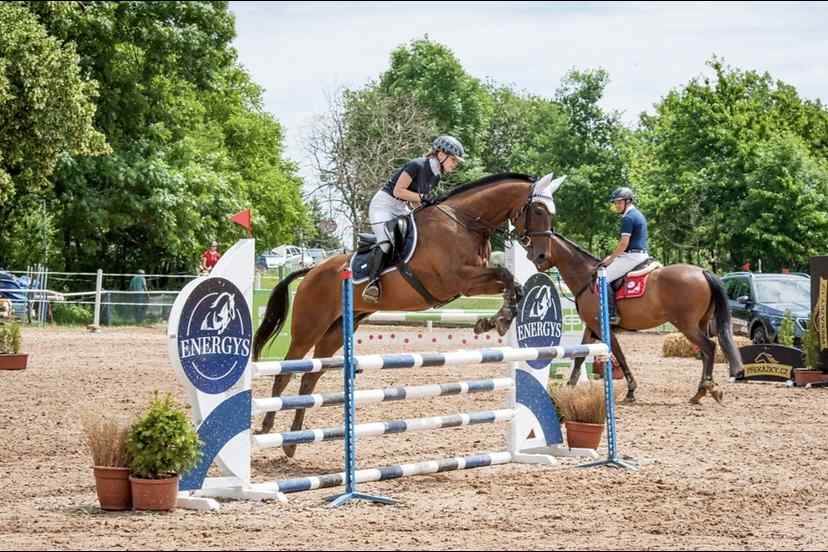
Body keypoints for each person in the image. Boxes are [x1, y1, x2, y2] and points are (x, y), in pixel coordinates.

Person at [361, 135, 465, 303]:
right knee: (387, 241)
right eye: (453, 159)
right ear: (441, 153)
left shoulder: (436, 175)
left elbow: (416, 200)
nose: (455, 163)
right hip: (383, 206)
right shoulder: (416, 164)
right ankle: (372, 283)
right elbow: (398, 191)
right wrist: (423, 198)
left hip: (402, 207)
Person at [601, 187, 649, 325]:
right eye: (615, 203)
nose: (616, 205)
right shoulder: (638, 214)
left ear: (628, 201)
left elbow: (623, 244)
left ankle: (611, 315)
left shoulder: (628, 218)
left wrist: (610, 259)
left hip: (632, 257)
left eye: (619, 202)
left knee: (603, 278)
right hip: (641, 254)